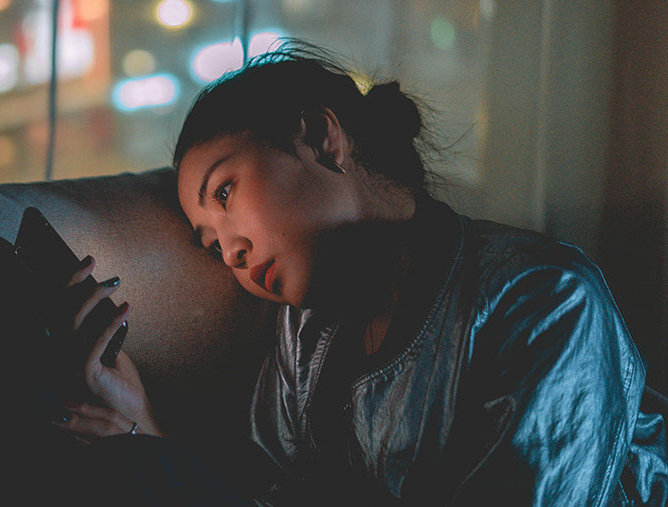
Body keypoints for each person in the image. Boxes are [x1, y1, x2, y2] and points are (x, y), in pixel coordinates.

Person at [54, 41, 668, 505]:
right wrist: (146, 428)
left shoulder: (544, 299)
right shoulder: (303, 337)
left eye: (226, 192)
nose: (232, 253)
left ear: (322, 138)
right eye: (211, 246)